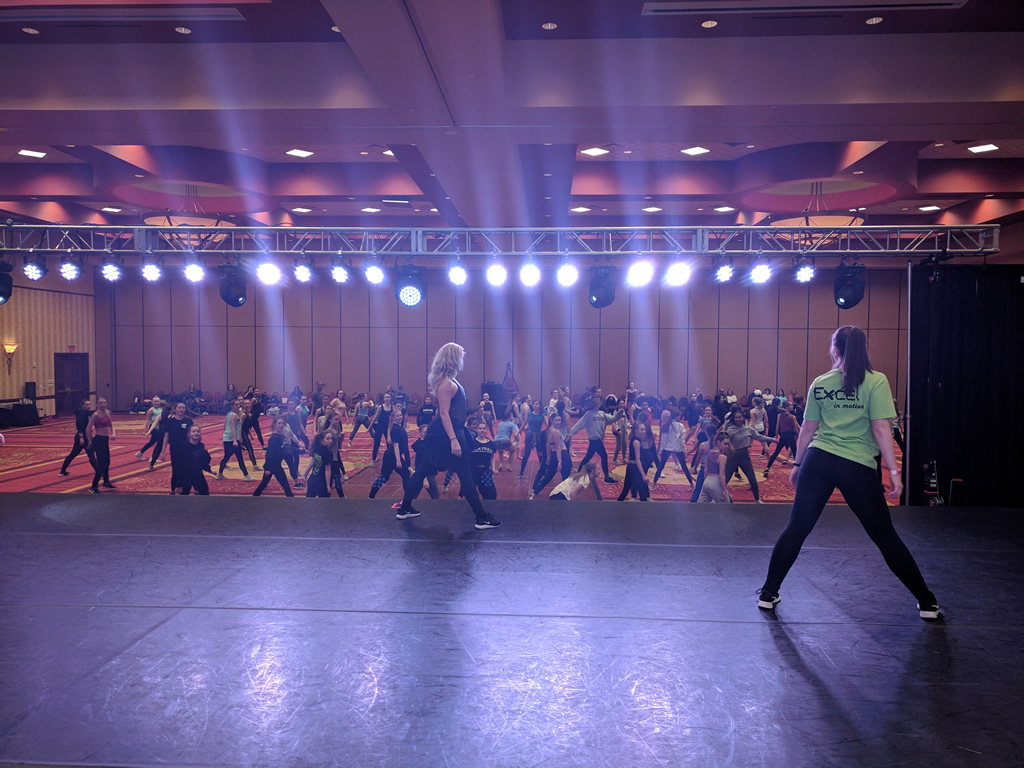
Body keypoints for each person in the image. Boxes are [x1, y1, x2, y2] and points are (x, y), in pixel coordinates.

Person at [757, 325, 940, 619]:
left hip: (818, 461)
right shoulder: (876, 381)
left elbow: (808, 430)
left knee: (797, 528)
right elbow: (881, 429)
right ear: (863, 348)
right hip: (856, 466)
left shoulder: (820, 382)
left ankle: (768, 593)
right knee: (884, 536)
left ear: (835, 349)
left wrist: (798, 465)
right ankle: (927, 602)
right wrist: (894, 472)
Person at [394, 342, 502, 529]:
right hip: (446, 435)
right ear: (453, 359)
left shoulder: (450, 381)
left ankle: (404, 509)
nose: (462, 360)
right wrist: (453, 440)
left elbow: (449, 412)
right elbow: (444, 414)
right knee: (464, 474)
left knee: (423, 471)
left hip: (447, 432)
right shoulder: (447, 383)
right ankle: (482, 518)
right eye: (460, 356)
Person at [724, 409, 777, 504]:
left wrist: (773, 439)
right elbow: (725, 443)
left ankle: (757, 499)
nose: (737, 419)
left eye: (739, 417)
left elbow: (760, 437)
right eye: (736, 417)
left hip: (744, 456)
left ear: (743, 418)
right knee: (726, 478)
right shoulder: (730, 430)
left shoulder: (748, 429)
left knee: (752, 478)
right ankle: (720, 496)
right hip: (733, 456)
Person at [569, 398, 623, 483]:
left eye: (598, 403)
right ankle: (606, 478)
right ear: (593, 404)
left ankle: (579, 474)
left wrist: (619, 415)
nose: (597, 405)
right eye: (596, 403)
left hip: (597, 440)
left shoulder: (602, 414)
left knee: (589, 457)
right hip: (594, 440)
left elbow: (612, 419)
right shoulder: (589, 414)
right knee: (603, 456)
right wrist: (571, 432)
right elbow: (580, 424)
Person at [369, 408, 411, 498]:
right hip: (392, 456)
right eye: (397, 416)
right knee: (405, 474)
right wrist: (398, 460)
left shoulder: (400, 427)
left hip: (390, 456)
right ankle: (408, 498)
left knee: (384, 477)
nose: (400, 417)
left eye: (400, 415)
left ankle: (371, 496)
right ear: (393, 418)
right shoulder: (395, 429)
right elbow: (396, 446)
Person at [529, 412, 570, 500]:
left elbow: (548, 444)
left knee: (548, 476)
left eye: (559, 420)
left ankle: (534, 493)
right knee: (564, 475)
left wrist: (548, 457)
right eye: (556, 420)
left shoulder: (550, 429)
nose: (558, 422)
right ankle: (566, 494)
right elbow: (558, 447)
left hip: (555, 454)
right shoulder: (556, 431)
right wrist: (559, 462)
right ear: (551, 420)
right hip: (562, 454)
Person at [652, 407, 694, 488]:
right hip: (678, 449)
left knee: (661, 466)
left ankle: (654, 484)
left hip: (667, 449)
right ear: (677, 416)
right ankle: (692, 484)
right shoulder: (680, 426)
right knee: (684, 467)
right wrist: (684, 451)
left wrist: (661, 451)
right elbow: (682, 441)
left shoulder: (666, 425)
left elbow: (663, 440)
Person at [253, 416, 294, 497]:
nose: (281, 425)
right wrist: (268, 468)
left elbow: (285, 448)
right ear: (274, 424)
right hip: (273, 466)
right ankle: (291, 498)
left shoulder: (280, 436)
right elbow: (270, 454)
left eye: (282, 423)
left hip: (275, 464)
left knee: (264, 484)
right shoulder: (274, 438)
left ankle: (254, 497)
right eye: (279, 423)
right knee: (285, 485)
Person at [216, 398, 255, 481]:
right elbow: (233, 427)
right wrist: (235, 440)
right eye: (236, 405)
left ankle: (220, 474)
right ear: (232, 406)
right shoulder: (234, 415)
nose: (238, 406)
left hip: (227, 438)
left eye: (238, 404)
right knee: (239, 457)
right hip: (231, 439)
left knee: (227, 456)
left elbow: (225, 427)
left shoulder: (228, 414)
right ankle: (246, 475)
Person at [85, 397, 116, 493]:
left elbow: (111, 425)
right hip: (98, 440)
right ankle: (94, 486)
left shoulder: (107, 412)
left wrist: (113, 433)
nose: (103, 404)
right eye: (101, 403)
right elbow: (88, 428)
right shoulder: (96, 415)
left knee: (107, 462)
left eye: (104, 402)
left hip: (105, 439)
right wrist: (90, 441)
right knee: (102, 464)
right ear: (97, 404)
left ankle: (106, 482)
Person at [162, 401, 194, 495]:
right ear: (175, 409)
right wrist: (163, 451)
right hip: (174, 449)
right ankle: (174, 487)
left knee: (185, 468)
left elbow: (191, 436)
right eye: (179, 408)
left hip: (186, 449)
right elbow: (166, 436)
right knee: (175, 468)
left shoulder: (188, 421)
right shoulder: (169, 422)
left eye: (183, 408)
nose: (181, 409)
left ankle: (183, 487)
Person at [59, 397, 96, 477]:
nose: (89, 406)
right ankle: (99, 471)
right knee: (90, 454)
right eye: (86, 405)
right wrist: (81, 438)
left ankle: (63, 470)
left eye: (89, 404)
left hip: (86, 436)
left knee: (74, 454)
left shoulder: (87, 413)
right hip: (82, 437)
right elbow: (79, 426)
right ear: (82, 406)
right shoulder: (82, 414)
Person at [617, 420, 651, 501]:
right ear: (636, 430)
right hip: (635, 467)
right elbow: (638, 460)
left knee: (627, 489)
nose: (644, 431)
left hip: (631, 466)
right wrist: (643, 475)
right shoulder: (637, 442)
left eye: (644, 429)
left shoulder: (635, 439)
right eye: (641, 429)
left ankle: (618, 503)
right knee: (639, 490)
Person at [764, 400, 799, 478]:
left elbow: (777, 427)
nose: (792, 406)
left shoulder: (779, 415)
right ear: (787, 407)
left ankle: (767, 468)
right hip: (790, 436)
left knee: (776, 452)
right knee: (795, 453)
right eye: (790, 405)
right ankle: (798, 471)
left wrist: (776, 436)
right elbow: (795, 429)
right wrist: (798, 435)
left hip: (783, 436)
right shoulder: (792, 417)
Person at [178, 424, 214, 496]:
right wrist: (179, 483)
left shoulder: (201, 445)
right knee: (184, 495)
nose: (196, 433)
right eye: (193, 431)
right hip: (186, 475)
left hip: (198, 473)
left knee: (205, 493)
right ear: (189, 434)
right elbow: (179, 465)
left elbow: (203, 461)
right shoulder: (184, 447)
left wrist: (209, 469)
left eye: (198, 431)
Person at [697, 432, 733, 503]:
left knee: (699, 506)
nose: (727, 446)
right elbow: (722, 475)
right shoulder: (722, 457)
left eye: (728, 444)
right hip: (715, 482)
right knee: (726, 506)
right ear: (718, 442)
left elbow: (705, 470)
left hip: (707, 481)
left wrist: (706, 481)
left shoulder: (710, 452)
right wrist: (724, 489)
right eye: (725, 444)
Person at [302, 429, 336, 498]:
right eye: (327, 439)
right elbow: (327, 469)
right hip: (322, 481)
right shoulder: (328, 453)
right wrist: (328, 485)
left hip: (313, 479)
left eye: (331, 438)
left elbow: (311, 463)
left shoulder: (316, 449)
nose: (330, 441)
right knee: (324, 502)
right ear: (321, 440)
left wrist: (304, 476)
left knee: (309, 500)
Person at [134, 395, 165, 465]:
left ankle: (140, 453)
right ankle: (153, 457)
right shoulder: (151, 410)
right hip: (154, 428)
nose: (156, 403)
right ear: (152, 402)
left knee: (152, 442)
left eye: (158, 401)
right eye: (155, 401)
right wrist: (145, 430)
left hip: (160, 428)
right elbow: (147, 420)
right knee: (159, 443)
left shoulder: (161, 409)